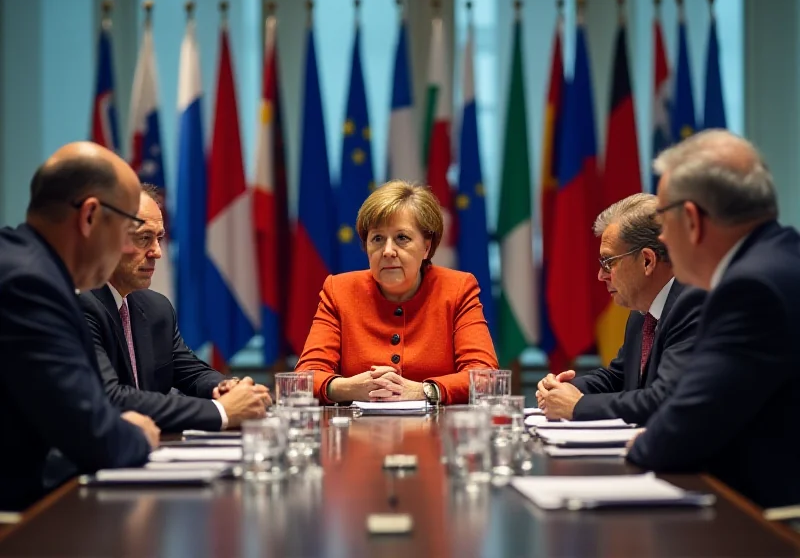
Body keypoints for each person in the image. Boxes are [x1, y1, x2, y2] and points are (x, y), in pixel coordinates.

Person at [627, 129, 800, 509]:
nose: (663, 240)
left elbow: (679, 432)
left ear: (691, 220)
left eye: (662, 221)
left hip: (768, 526)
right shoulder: (784, 257)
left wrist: (645, 441)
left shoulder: (750, 291)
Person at [0, 142, 159, 511]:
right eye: (126, 228)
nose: (125, 245)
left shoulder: (23, 264)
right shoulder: (30, 286)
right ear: (89, 216)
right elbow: (92, 435)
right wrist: (138, 434)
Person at [79, 186, 271, 432]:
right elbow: (112, 398)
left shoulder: (155, 307)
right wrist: (222, 411)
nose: (157, 252)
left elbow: (191, 372)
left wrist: (226, 388)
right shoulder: (80, 304)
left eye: (158, 238)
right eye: (143, 238)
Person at [295, 180, 498, 405]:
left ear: (426, 247)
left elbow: (485, 376)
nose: (388, 251)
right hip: (359, 434)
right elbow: (305, 377)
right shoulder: (339, 291)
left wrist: (425, 390)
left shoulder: (458, 288)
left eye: (402, 238)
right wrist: (350, 387)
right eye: (377, 239)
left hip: (437, 434)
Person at [536, 194, 705, 425]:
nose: (601, 275)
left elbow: (665, 399)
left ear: (647, 261)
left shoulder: (693, 304)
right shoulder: (642, 312)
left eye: (609, 262)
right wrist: (564, 389)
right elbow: (619, 376)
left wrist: (578, 406)